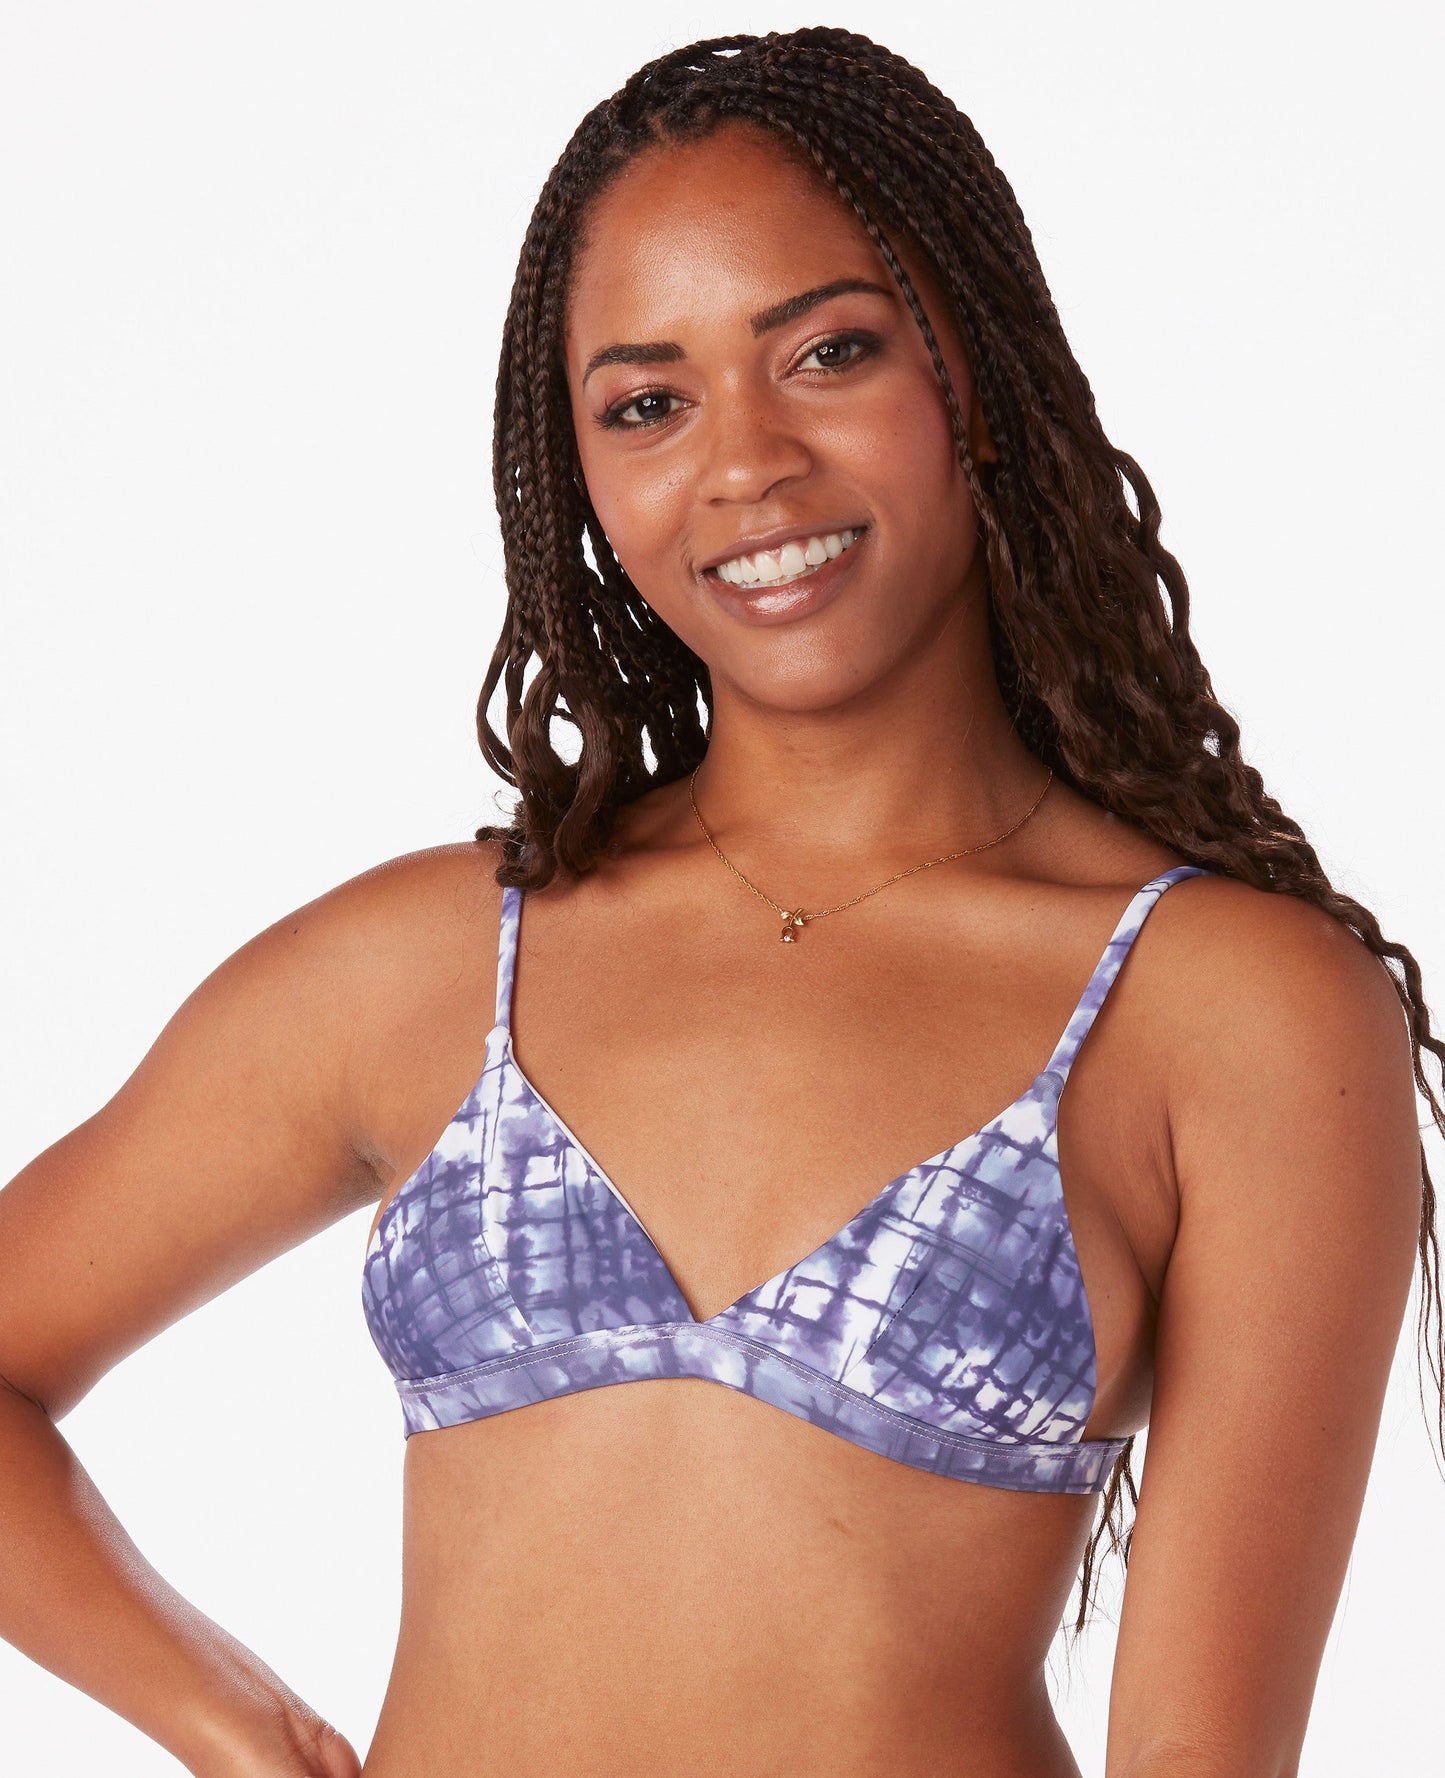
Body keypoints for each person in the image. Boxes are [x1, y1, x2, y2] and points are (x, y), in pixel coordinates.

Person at [0, 25, 1438, 1778]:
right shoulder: (434, 963)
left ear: (968, 376)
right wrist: (244, 1731)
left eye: (827, 351)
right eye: (648, 403)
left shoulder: (1234, 1010)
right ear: (585, 479)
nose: (744, 463)